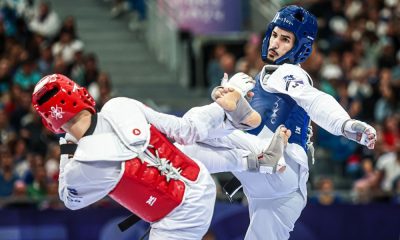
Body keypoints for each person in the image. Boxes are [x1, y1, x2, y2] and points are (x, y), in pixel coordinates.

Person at [180, 5, 377, 240]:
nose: (275, 43)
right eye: (274, 35)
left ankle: (154, 157)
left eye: (285, 39)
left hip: (278, 163)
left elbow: (314, 100)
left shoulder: (285, 73)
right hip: (286, 193)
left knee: (193, 131)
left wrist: (345, 124)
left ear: (300, 47)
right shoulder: (258, 80)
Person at [31, 73, 289, 239]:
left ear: (50, 123)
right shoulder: (119, 105)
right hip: (198, 178)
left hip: (179, 218)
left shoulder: (84, 166)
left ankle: (247, 146)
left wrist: (67, 143)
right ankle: (238, 130)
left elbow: (69, 199)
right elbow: (184, 131)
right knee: (188, 134)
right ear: (81, 93)